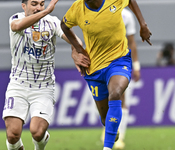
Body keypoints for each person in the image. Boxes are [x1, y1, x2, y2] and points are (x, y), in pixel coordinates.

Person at [61, 0, 152, 150]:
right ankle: (111, 128)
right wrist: (78, 48)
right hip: (95, 68)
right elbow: (64, 25)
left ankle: (107, 147)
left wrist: (143, 24)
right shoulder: (78, 8)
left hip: (119, 60)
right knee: (105, 118)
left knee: (116, 93)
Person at [2, 0, 84, 150]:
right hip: (18, 84)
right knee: (13, 135)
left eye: (41, 4)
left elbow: (76, 40)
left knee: (37, 132)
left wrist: (75, 49)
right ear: (24, 6)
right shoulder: (15, 18)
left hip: (43, 87)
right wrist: (45, 12)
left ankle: (40, 144)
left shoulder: (52, 23)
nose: (38, 7)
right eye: (34, 4)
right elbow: (17, 27)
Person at [100, 7, 141, 150]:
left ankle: (119, 138)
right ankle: (110, 128)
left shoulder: (127, 15)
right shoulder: (97, 10)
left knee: (119, 96)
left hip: (119, 62)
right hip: (100, 62)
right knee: (103, 100)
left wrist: (136, 66)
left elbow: (132, 42)